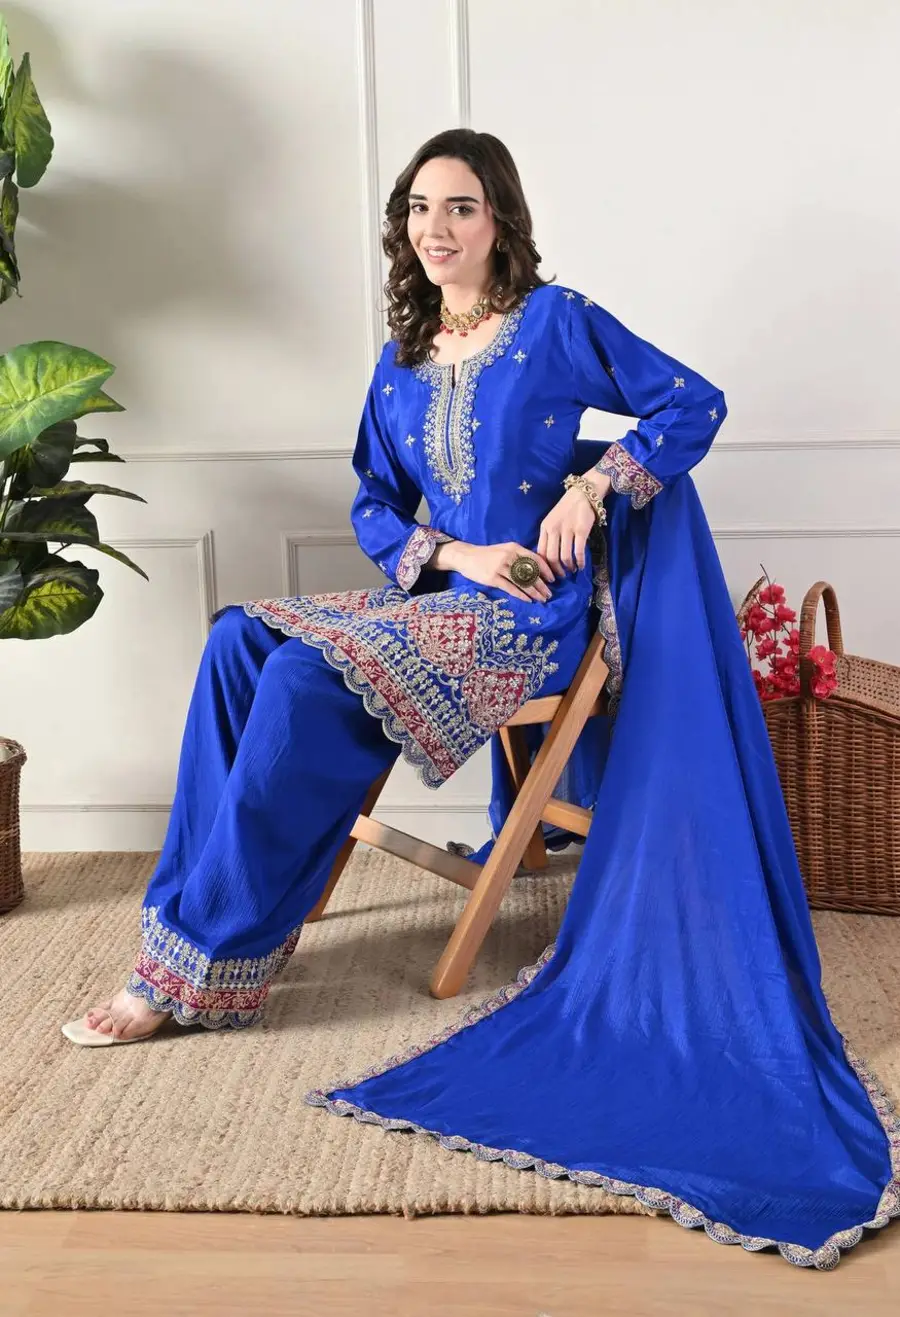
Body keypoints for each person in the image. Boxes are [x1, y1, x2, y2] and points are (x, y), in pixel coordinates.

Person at [62, 129, 898, 1270]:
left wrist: (593, 490)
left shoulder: (557, 323)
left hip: (533, 624)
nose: (435, 229)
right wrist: (456, 556)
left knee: (305, 673)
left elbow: (692, 403)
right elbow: (372, 502)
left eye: (459, 206)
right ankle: (208, 937)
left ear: (499, 218)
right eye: (418, 209)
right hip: (448, 598)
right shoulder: (402, 355)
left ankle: (196, 961)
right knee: (236, 641)